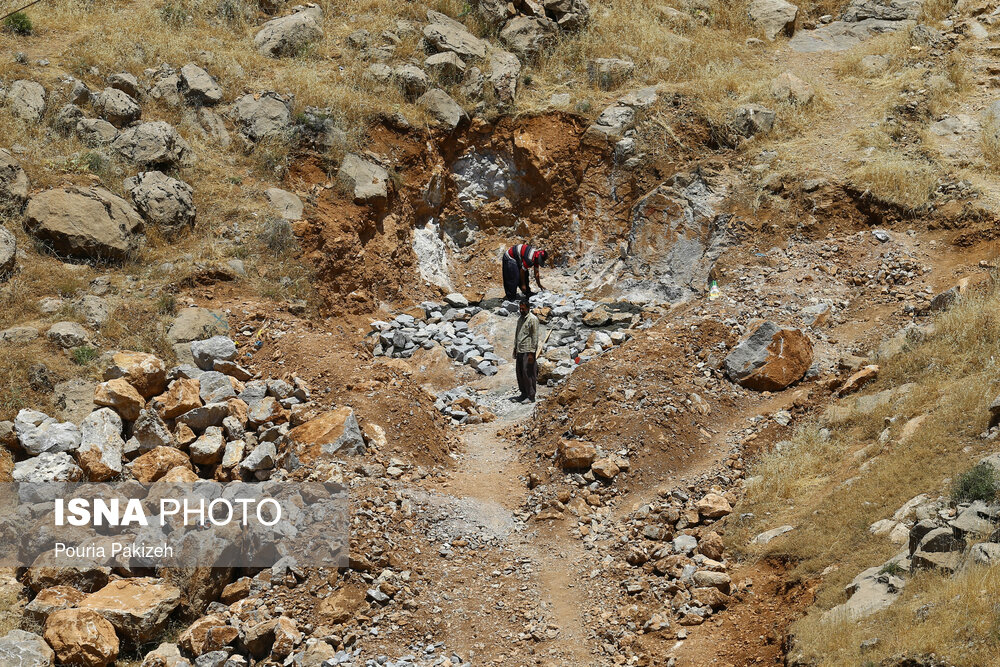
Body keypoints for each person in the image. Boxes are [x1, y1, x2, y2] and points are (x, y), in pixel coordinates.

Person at [513, 297, 539, 403]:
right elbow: (517, 334)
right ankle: (523, 394)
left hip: (528, 351)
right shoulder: (520, 319)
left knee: (528, 373)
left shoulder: (533, 319)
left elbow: (535, 337)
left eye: (523, 309)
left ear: (528, 308)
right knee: (520, 373)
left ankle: (531, 396)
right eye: (520, 308)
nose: (521, 310)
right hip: (520, 350)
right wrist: (515, 348)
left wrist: (532, 353)